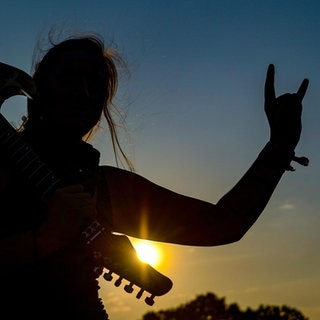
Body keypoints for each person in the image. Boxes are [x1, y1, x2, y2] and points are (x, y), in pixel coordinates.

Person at [0, 34, 309, 320]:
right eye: (68, 79)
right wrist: (49, 236)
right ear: (35, 89)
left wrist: (279, 146)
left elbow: (222, 224)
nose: (83, 93)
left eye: (95, 84)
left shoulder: (102, 185)